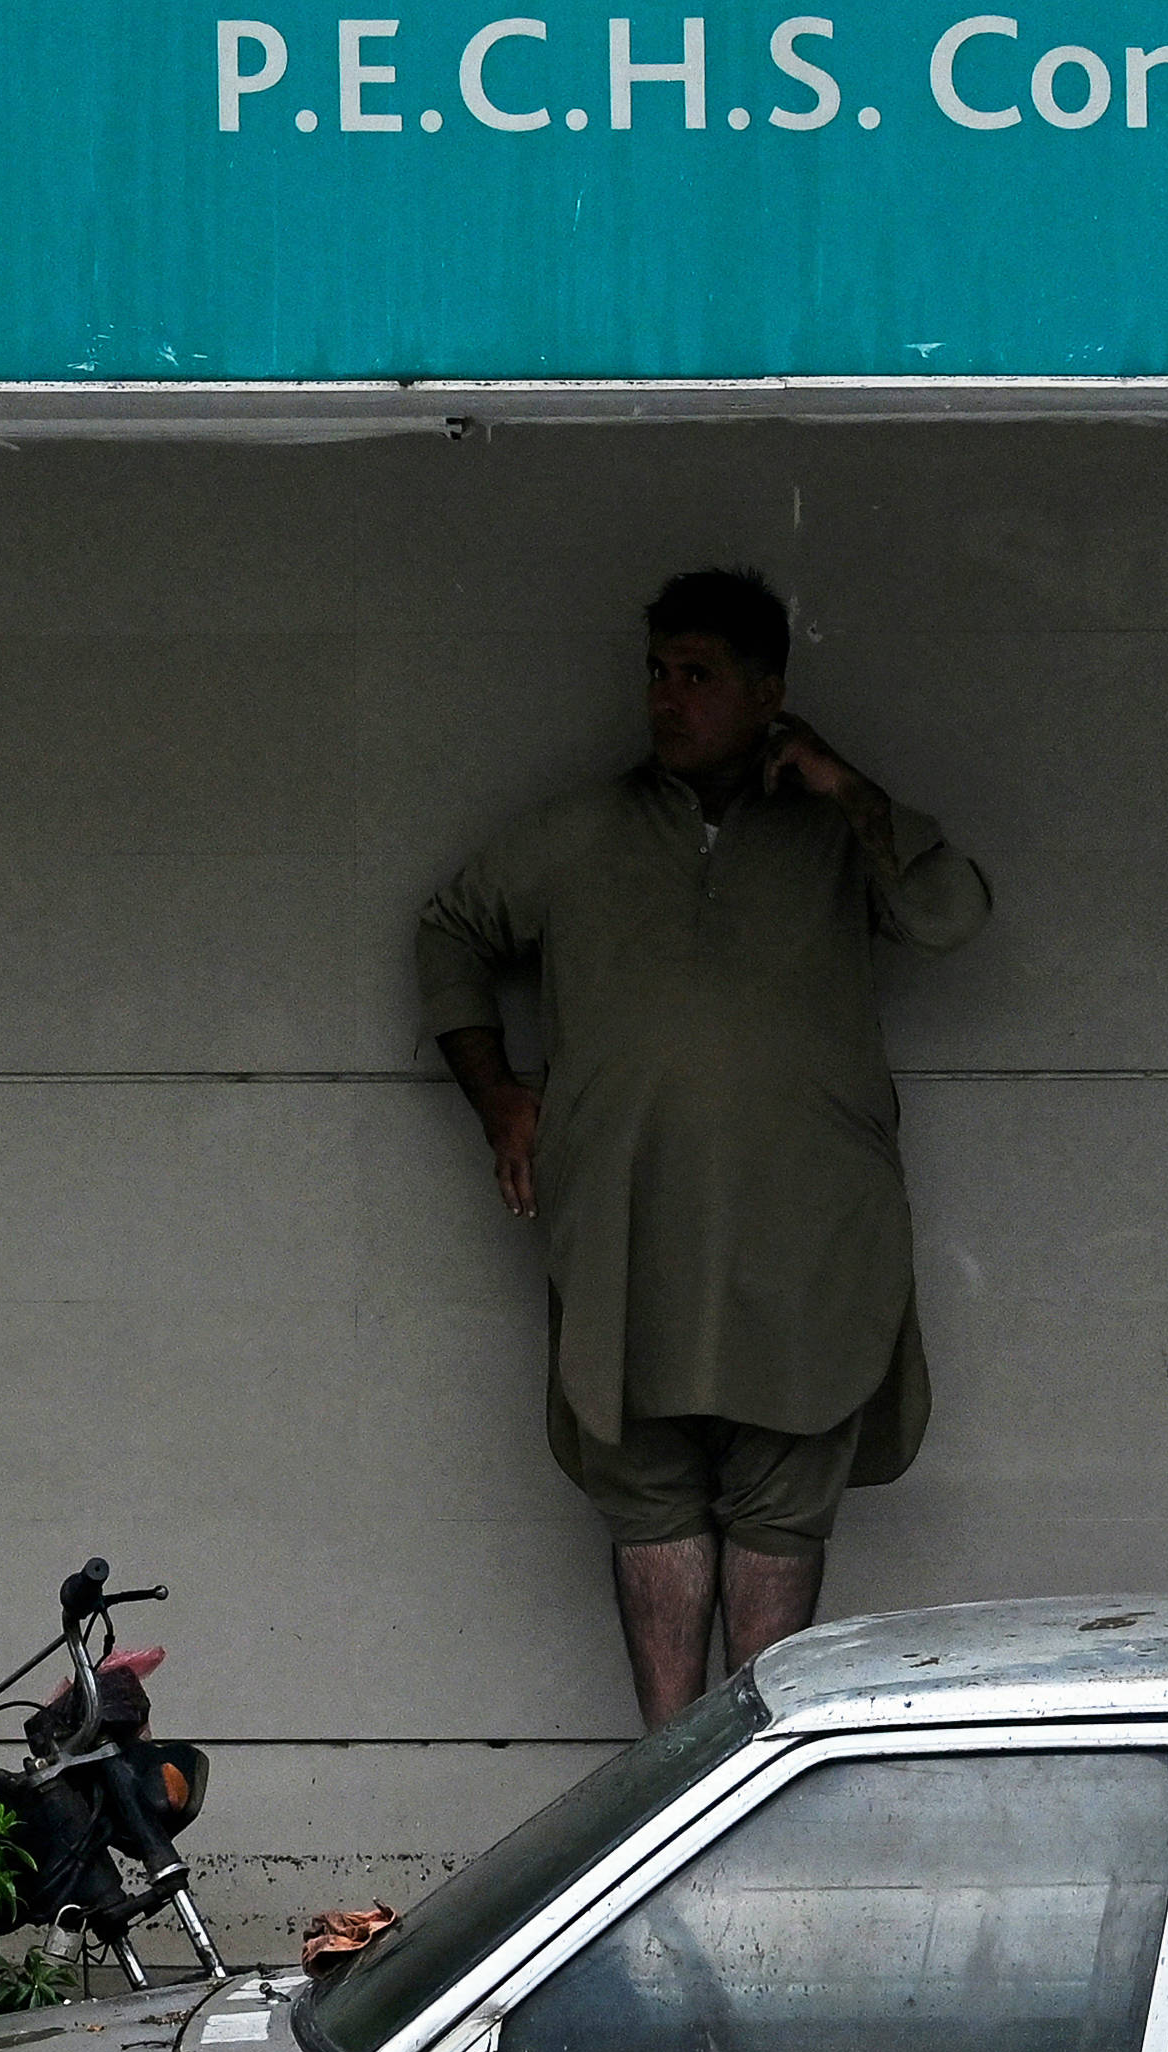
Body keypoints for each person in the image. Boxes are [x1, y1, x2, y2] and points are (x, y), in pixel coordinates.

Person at [417, 567, 992, 1730]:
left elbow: (953, 914)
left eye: (698, 676)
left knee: (784, 1505)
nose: (666, 700)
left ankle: (750, 1786)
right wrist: (500, 1099)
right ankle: (661, 1804)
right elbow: (450, 931)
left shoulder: (837, 830)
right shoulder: (582, 831)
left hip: (805, 1250)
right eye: (656, 673)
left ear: (767, 688)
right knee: (648, 1504)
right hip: (629, 1241)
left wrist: (844, 786)